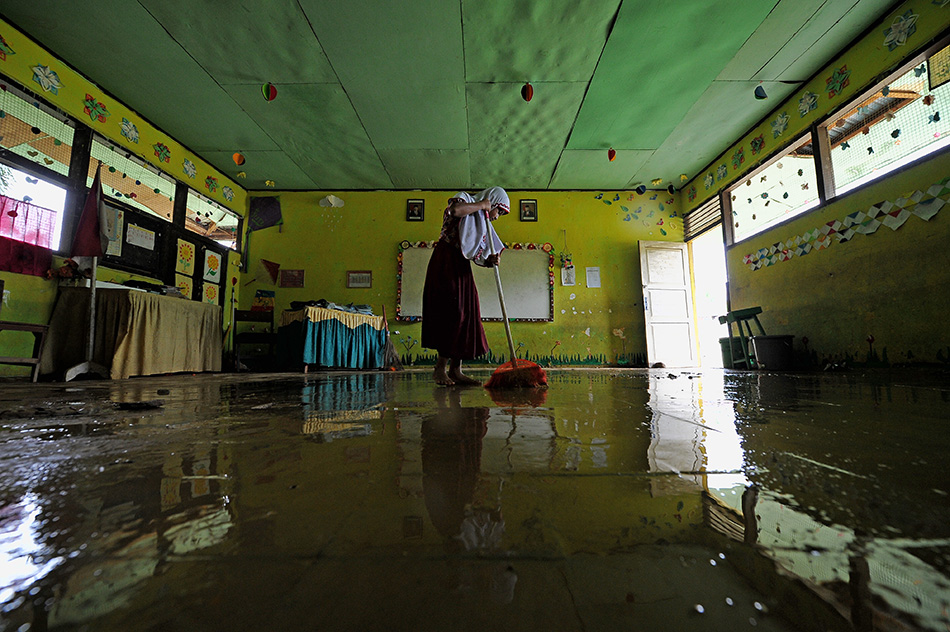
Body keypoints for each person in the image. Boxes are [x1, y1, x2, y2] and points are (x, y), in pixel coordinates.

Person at [421, 187, 509, 385]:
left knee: (467, 313)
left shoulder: (479, 219)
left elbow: (474, 251)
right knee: (453, 312)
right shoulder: (465, 200)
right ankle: (439, 369)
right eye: (499, 211)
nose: (497, 217)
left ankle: (455, 370)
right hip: (445, 262)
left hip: (461, 266)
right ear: (492, 202)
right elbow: (454, 211)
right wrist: (482, 205)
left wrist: (490, 261)